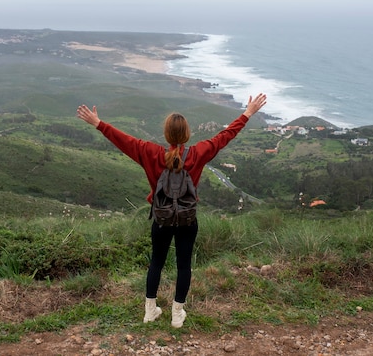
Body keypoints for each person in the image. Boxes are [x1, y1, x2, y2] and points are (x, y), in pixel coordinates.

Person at [76, 93, 267, 328]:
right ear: (187, 134)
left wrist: (98, 124)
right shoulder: (197, 153)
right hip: (187, 219)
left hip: (161, 219)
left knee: (156, 262)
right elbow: (224, 137)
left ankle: (150, 312)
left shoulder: (150, 152)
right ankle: (177, 315)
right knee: (184, 265)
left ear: (166, 134)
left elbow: (123, 140)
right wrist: (247, 113)